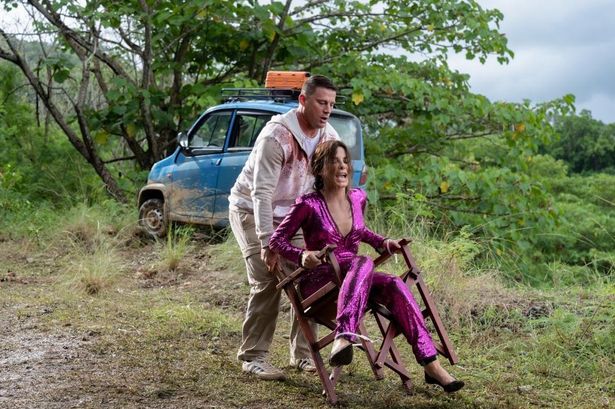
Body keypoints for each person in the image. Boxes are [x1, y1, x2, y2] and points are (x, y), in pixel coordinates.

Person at [269, 140, 464, 393]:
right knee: (363, 261)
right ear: (319, 169)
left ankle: (432, 366)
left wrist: (383, 242)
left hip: (355, 279)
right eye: (333, 161)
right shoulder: (308, 204)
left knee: (393, 284)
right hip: (321, 282)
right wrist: (302, 254)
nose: (341, 166)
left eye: (345, 161)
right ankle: (345, 333)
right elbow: (277, 240)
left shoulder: (358, 198)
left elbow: (361, 231)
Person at [228, 75, 340, 380]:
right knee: (268, 277)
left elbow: (328, 188)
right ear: (303, 101)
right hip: (252, 211)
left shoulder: (328, 136)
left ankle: (303, 355)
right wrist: (269, 244)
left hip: (292, 216)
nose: (327, 109)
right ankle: (253, 357)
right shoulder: (276, 137)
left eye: (331, 104)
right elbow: (260, 194)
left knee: (312, 272)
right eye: (321, 102)